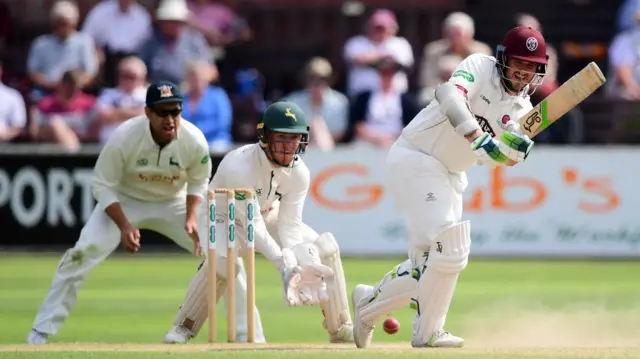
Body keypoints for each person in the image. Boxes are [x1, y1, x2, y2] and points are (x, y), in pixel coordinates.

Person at [351, 26, 545, 349]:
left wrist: (513, 154)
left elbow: (501, 158)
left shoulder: (522, 111)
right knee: (449, 247)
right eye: (518, 63)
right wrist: (476, 135)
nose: (523, 73)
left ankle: (369, 305)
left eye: (530, 66)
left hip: (452, 174)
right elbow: (448, 95)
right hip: (416, 156)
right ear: (503, 60)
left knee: (429, 263)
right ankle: (427, 332)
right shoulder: (479, 67)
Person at [27, 81, 212, 345]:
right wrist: (124, 225)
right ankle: (40, 332)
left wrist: (192, 216)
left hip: (175, 202)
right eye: (162, 113)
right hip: (126, 200)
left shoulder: (194, 139)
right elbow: (102, 184)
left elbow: (198, 180)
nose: (170, 119)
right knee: (80, 254)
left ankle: (246, 335)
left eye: (175, 111)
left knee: (225, 257)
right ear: (148, 113)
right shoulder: (125, 137)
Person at [163, 101, 354, 344]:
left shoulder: (299, 173)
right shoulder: (239, 167)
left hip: (265, 213)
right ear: (265, 138)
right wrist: (285, 266)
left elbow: (290, 226)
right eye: (282, 139)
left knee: (324, 247)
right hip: (222, 216)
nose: (288, 147)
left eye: (294, 139)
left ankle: (339, 328)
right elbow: (254, 228)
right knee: (225, 264)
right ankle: (183, 327)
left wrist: (300, 260)